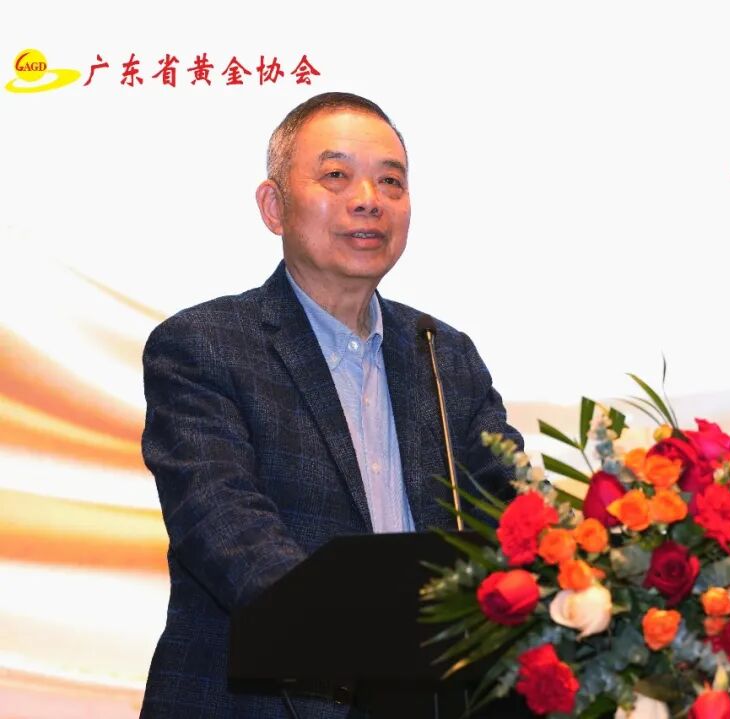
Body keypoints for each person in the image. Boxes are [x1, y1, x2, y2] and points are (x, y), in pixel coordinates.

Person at [139, 93, 523, 718]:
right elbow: (225, 528)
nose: (369, 199)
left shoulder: (442, 354)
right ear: (273, 206)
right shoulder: (204, 346)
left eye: (391, 181)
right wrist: (379, 639)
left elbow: (511, 516)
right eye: (337, 175)